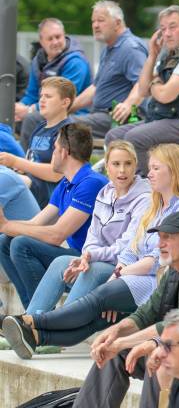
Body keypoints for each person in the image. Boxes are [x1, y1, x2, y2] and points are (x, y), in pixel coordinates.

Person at [2, 144, 179, 358]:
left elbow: (160, 261)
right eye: (150, 168)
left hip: (155, 281)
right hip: (131, 273)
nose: (149, 174)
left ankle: (30, 321)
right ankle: (36, 337)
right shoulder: (154, 206)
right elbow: (130, 249)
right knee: (99, 316)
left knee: (98, 299)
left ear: (174, 170)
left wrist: (119, 274)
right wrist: (108, 271)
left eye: (156, 168)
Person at [67, 210, 179, 408]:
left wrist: (122, 342)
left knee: (157, 356)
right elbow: (146, 312)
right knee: (114, 352)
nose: (159, 244)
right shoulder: (176, 268)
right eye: (160, 237)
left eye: (168, 238)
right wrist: (115, 331)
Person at [21, 141, 151, 316]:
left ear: (135, 165)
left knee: (92, 271)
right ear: (107, 167)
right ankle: (31, 320)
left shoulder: (144, 199)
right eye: (116, 164)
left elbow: (127, 247)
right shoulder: (105, 193)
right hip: (99, 260)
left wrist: (91, 256)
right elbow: (92, 236)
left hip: (127, 268)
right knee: (61, 262)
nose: (122, 170)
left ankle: (58, 325)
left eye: (128, 164)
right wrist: (85, 257)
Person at [0, 123, 107, 310]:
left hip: (92, 260)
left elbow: (56, 235)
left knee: (21, 244)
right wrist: (6, 227)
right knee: (5, 242)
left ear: (64, 152)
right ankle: (30, 312)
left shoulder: (91, 182)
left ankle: (39, 315)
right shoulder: (66, 182)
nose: (52, 154)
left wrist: (6, 225)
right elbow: (36, 223)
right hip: (76, 256)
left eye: (55, 148)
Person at [105, 5, 179, 175]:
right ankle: (122, 184)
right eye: (163, 29)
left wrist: (154, 84)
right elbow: (143, 90)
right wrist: (152, 55)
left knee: (135, 138)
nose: (167, 34)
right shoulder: (169, 52)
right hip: (169, 119)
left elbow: (166, 95)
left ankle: (147, 186)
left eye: (172, 27)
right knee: (114, 137)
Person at [69, 0, 148, 138]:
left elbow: (142, 82)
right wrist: (66, 107)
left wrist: (128, 105)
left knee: (63, 125)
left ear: (117, 23)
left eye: (100, 20)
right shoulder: (108, 49)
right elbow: (95, 88)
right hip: (100, 117)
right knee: (55, 119)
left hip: (121, 119)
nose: (95, 25)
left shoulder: (131, 48)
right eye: (93, 21)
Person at [15, 18, 91, 149]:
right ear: (41, 41)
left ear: (64, 35)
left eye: (58, 37)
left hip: (73, 114)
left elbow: (64, 99)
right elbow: (31, 95)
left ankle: (26, 160)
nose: (55, 42)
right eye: (50, 39)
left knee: (31, 119)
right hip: (46, 109)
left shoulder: (76, 62)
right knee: (9, 116)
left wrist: (29, 110)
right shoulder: (38, 61)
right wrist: (19, 108)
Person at [1, 76, 75, 207]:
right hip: (31, 186)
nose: (42, 100)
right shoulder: (40, 128)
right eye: (41, 96)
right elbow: (31, 161)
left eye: (48, 96)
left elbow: (55, 174)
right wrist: (16, 167)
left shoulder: (68, 130)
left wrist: (16, 161)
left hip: (50, 196)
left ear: (65, 102)